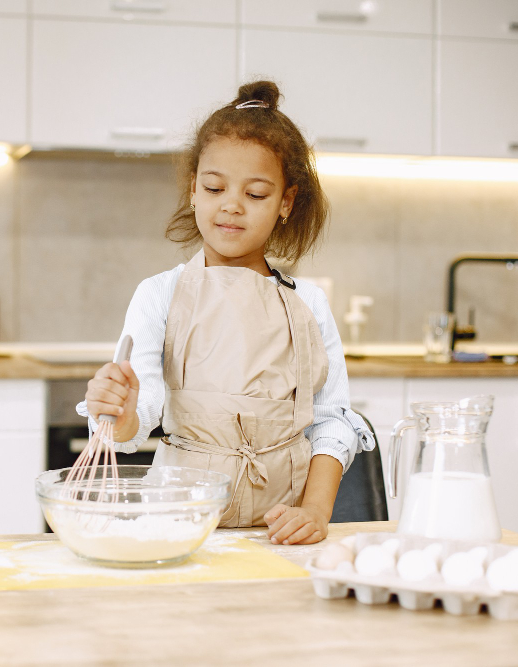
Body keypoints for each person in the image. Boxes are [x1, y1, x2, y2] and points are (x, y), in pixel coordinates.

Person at [78, 80, 375, 546]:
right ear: (194, 189)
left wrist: (315, 512)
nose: (232, 205)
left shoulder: (308, 304)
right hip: (179, 525)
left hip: (282, 532)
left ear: (286, 203)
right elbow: (144, 408)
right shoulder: (160, 294)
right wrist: (123, 410)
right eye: (215, 187)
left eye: (256, 194)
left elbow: (331, 419)